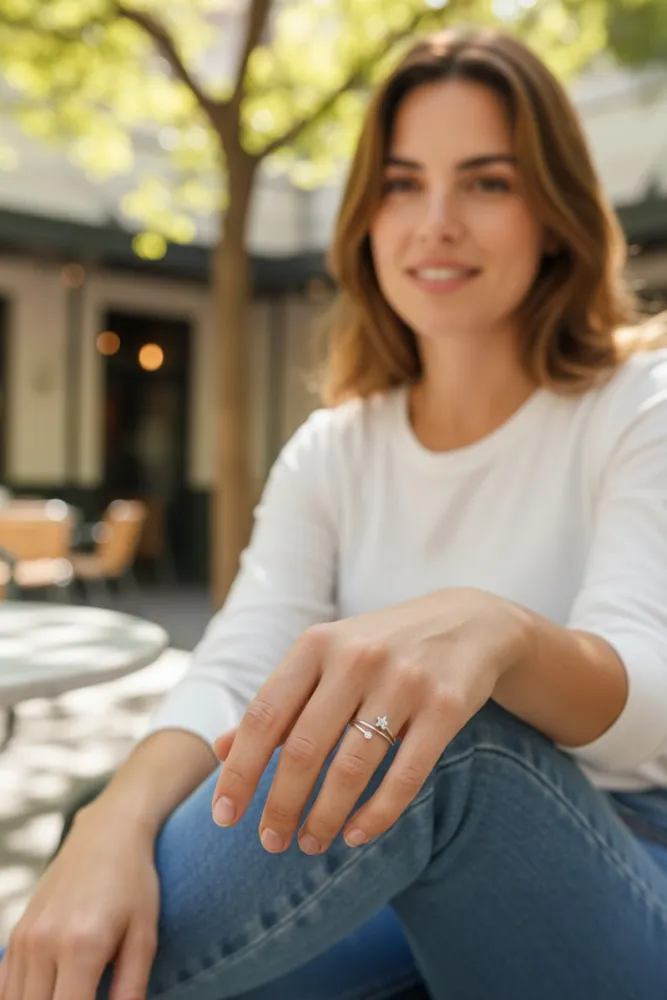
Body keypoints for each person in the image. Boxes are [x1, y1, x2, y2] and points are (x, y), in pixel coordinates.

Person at [2, 26, 667, 1000]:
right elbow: (232, 668)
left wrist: (501, 637)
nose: (434, 220)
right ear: (364, 217)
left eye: (485, 181)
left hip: (622, 856)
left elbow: (644, 700)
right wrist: (113, 818)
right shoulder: (335, 446)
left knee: (447, 733)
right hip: (397, 863)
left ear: (555, 215)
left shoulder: (637, 406)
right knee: (109, 854)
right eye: (402, 183)